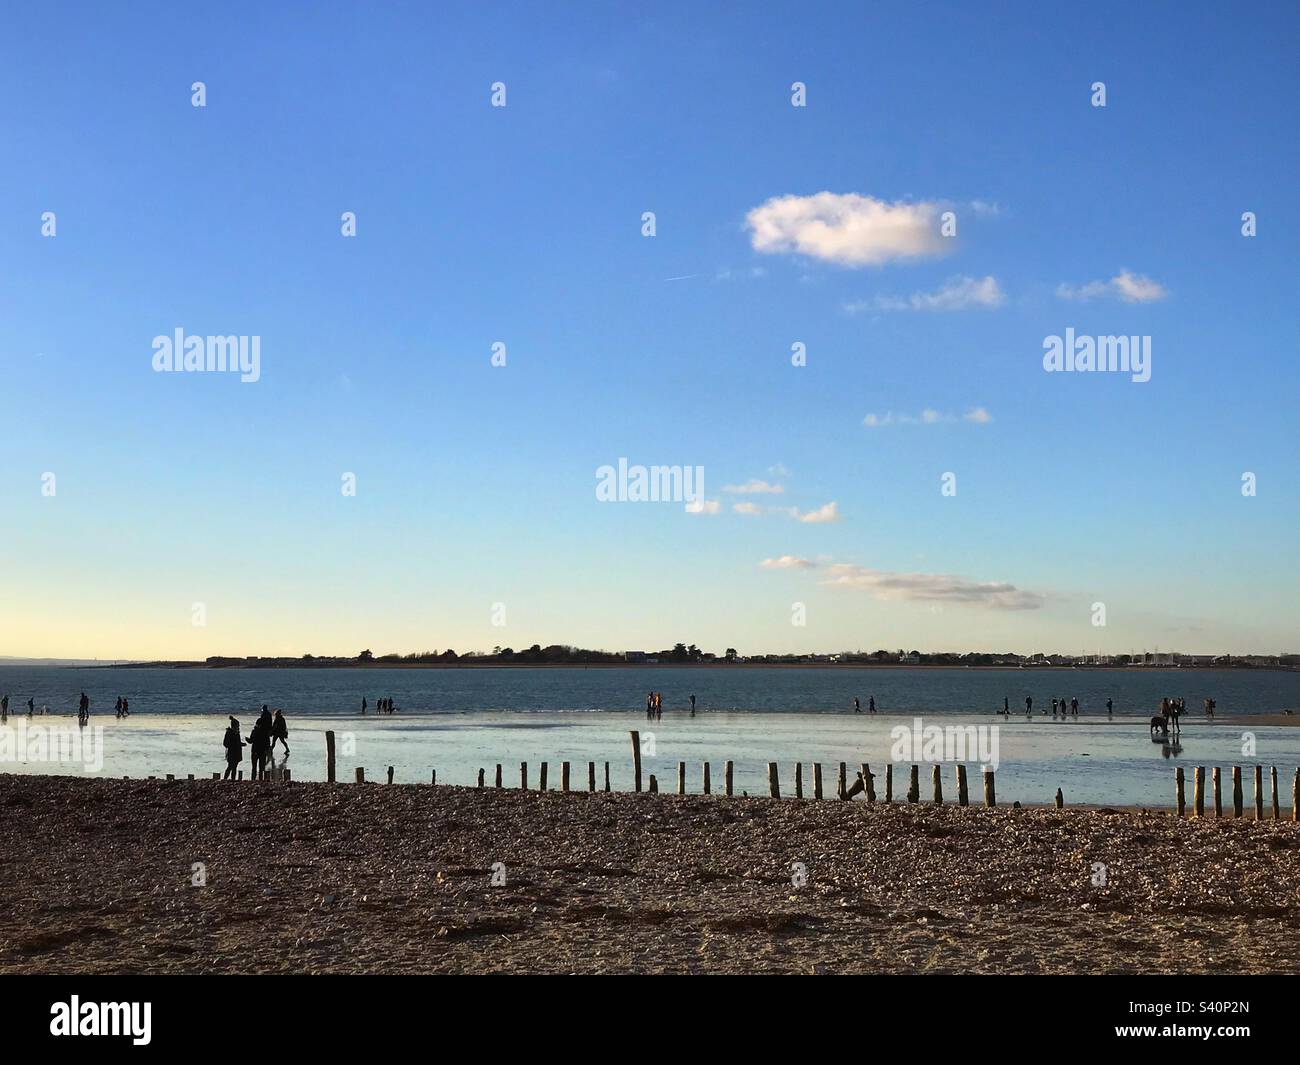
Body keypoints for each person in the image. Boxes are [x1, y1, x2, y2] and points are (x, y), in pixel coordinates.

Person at [247, 708, 273, 780]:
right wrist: (268, 750)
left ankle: (253, 779)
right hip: (262, 752)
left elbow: (251, 740)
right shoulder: (265, 733)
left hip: (255, 751)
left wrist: (247, 740)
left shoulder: (254, 731)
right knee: (261, 768)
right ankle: (260, 780)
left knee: (254, 767)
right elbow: (268, 743)